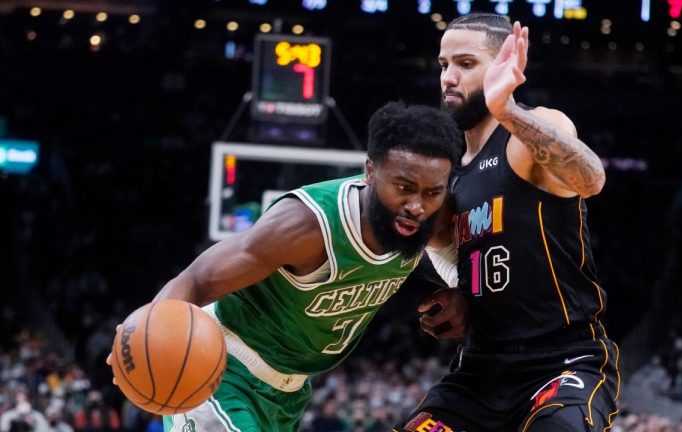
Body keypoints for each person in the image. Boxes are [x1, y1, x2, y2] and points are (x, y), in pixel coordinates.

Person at [107, 101, 464, 432]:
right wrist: (150, 334)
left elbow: (452, 256)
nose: (416, 205)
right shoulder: (306, 225)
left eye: (431, 192)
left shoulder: (429, 216)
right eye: (403, 187)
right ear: (370, 171)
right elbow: (196, 279)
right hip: (223, 371)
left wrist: (462, 294)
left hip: (290, 393)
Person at [396, 13, 620, 432]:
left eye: (465, 64)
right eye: (444, 65)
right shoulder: (446, 176)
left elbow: (591, 178)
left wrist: (508, 110)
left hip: (561, 361)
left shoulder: (530, 132)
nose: (448, 77)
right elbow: (456, 263)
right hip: (480, 369)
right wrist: (461, 298)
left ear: (504, 64)